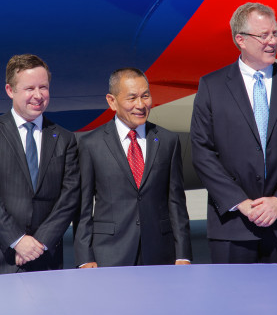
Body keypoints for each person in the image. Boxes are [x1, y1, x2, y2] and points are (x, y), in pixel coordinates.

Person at [190, 3, 277, 263]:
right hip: (233, 224)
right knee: (234, 302)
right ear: (240, 40)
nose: (272, 41)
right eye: (264, 35)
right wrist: (241, 202)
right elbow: (202, 152)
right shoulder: (212, 87)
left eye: (275, 34)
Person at [0, 54, 80, 276]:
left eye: (44, 87)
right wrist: (17, 240)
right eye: (29, 88)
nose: (38, 96)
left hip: (44, 258)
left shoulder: (65, 139)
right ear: (10, 90)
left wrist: (39, 243)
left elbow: (69, 197)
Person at [74, 68, 192, 267]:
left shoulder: (167, 140)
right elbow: (82, 208)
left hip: (159, 253)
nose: (141, 105)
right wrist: (85, 258)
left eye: (145, 96)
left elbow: (176, 203)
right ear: (112, 101)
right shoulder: (91, 144)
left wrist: (183, 254)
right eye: (132, 98)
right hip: (109, 253)